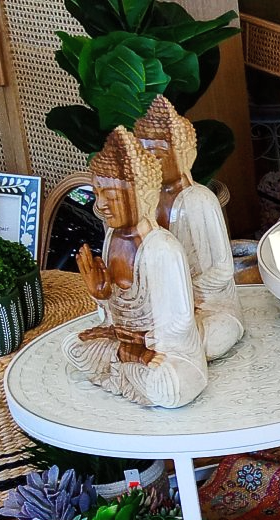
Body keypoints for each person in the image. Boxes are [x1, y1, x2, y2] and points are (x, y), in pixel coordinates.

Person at [63, 128, 208, 409]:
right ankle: (124, 369)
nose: (101, 205)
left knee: (168, 384)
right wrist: (101, 294)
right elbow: (112, 314)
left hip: (161, 351)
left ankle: (126, 373)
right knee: (73, 347)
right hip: (125, 345)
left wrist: (141, 344)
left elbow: (180, 321)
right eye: (97, 194)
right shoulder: (111, 238)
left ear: (142, 195)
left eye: (111, 196)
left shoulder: (161, 248)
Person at [134, 95, 241, 359]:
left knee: (210, 341)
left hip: (210, 306)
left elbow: (224, 269)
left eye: (158, 156)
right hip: (167, 309)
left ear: (184, 155)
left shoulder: (200, 199)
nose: (151, 165)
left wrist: (184, 293)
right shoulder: (146, 204)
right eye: (144, 158)